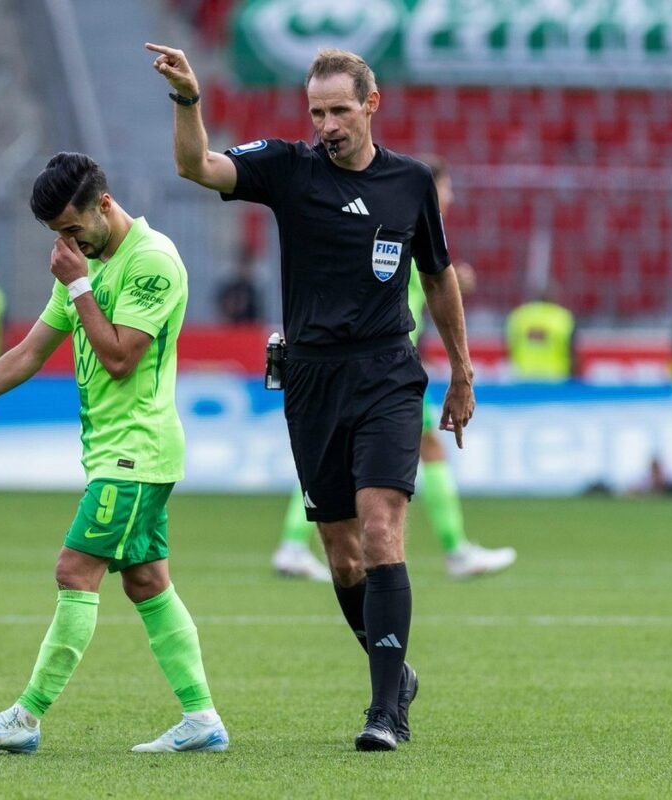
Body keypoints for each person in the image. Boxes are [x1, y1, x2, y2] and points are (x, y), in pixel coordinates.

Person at [148, 43, 475, 752]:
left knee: (382, 527)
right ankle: (396, 673)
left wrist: (462, 370)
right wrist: (187, 99)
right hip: (312, 379)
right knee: (342, 553)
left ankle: (385, 710)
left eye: (339, 110)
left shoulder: (411, 183)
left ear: (371, 104)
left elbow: (440, 277)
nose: (327, 124)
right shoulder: (289, 169)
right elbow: (195, 167)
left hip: (388, 370)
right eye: (317, 111)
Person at [0, 152, 228, 755]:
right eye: (56, 235)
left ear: (103, 204)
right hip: (117, 453)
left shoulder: (151, 262)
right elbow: (29, 353)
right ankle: (202, 718)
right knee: (147, 583)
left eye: (71, 230)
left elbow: (120, 356)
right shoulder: (90, 261)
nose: (65, 245)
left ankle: (27, 716)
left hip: (136, 453)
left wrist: (77, 285)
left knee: (74, 570)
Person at [273, 156, 514, 582]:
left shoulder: (397, 222)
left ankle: (294, 543)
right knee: (399, 452)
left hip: (384, 366)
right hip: (388, 369)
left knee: (332, 457)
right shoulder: (402, 221)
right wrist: (455, 278)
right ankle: (456, 550)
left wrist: (454, 276)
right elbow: (420, 275)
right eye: (447, 188)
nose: (452, 197)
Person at [505, 288, 576, 381]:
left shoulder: (519, 316)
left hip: (523, 375)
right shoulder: (562, 317)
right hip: (555, 377)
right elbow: (572, 350)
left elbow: (508, 346)